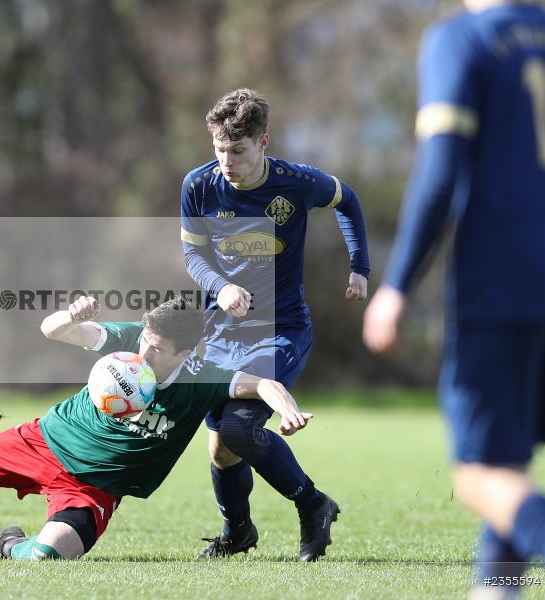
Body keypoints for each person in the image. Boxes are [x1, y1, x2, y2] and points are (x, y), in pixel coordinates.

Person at [0, 296, 314, 560]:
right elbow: (52, 330)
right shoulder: (128, 340)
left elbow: (264, 384)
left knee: (45, 557)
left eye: (157, 349)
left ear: (185, 352)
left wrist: (287, 410)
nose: (143, 354)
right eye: (145, 340)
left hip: (94, 487)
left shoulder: (203, 378)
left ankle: (6, 544)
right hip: (45, 440)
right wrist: (71, 317)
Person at [363, 0, 545, 595]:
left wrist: (396, 285)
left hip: (505, 285)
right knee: (508, 466)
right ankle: (496, 588)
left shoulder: (463, 40)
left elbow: (440, 169)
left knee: (478, 476)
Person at [180, 88, 371, 560]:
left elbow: (347, 200)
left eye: (238, 150)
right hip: (221, 334)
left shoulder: (297, 182)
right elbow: (192, 254)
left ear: (263, 142)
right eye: (219, 149)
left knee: (240, 429)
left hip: (280, 329)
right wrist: (220, 285)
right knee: (221, 448)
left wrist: (359, 267)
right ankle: (238, 531)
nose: (227, 161)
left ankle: (313, 504)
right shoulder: (199, 185)